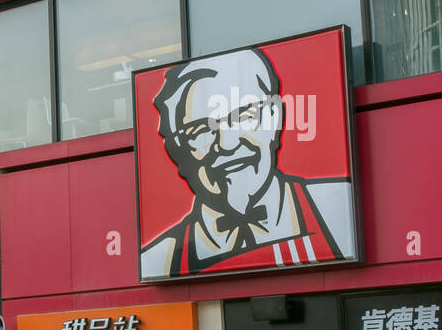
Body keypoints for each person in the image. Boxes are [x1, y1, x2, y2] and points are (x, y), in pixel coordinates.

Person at [140, 47, 356, 279]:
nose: (227, 144)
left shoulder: (339, 211)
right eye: (200, 130)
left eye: (243, 116)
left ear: (274, 118)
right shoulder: (157, 261)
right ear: (176, 151)